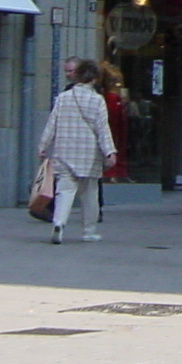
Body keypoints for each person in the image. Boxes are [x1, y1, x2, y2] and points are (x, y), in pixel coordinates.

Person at [37, 59, 118, 245]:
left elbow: (52, 124)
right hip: (89, 155)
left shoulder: (63, 97)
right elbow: (102, 129)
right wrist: (109, 152)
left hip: (64, 152)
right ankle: (89, 231)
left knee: (64, 191)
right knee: (90, 194)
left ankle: (58, 223)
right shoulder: (97, 100)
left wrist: (43, 146)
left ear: (78, 76)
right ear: (95, 78)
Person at [99, 62, 130, 184]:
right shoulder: (104, 67)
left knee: (121, 137)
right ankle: (110, 172)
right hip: (111, 100)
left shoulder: (115, 68)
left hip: (118, 100)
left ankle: (120, 170)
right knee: (113, 136)